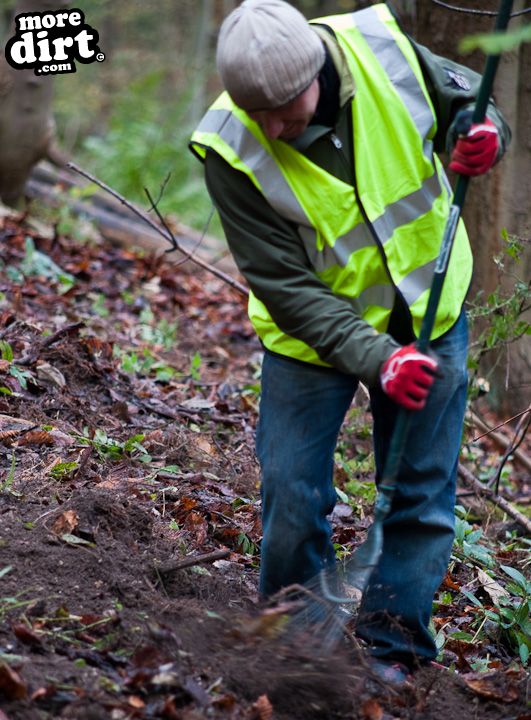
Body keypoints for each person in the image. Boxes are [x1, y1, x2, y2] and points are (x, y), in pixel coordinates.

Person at [189, 0, 511, 682]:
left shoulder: (383, 50)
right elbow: (286, 286)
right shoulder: (227, 146)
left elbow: (472, 104)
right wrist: (378, 358)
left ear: (315, 72)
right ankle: (295, 643)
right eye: (255, 112)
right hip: (311, 337)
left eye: (283, 109)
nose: (270, 128)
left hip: (426, 306)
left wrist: (483, 132)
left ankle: (394, 649)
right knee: (290, 491)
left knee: (420, 494)